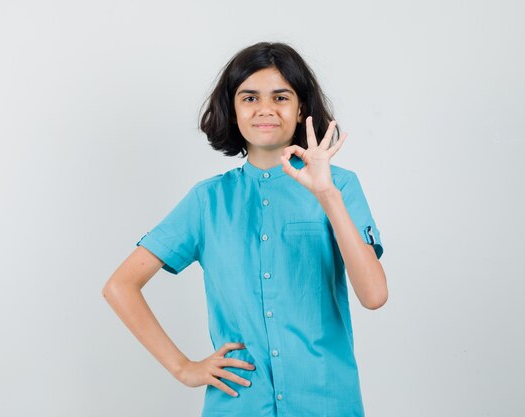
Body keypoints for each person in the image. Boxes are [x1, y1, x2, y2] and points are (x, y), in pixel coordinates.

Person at [102, 41, 387, 417]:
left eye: (280, 97)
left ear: (301, 106)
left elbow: (374, 295)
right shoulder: (209, 201)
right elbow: (120, 286)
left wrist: (326, 195)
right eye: (249, 98)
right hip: (239, 405)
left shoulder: (341, 187)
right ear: (232, 110)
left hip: (327, 402)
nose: (265, 109)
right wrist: (184, 368)